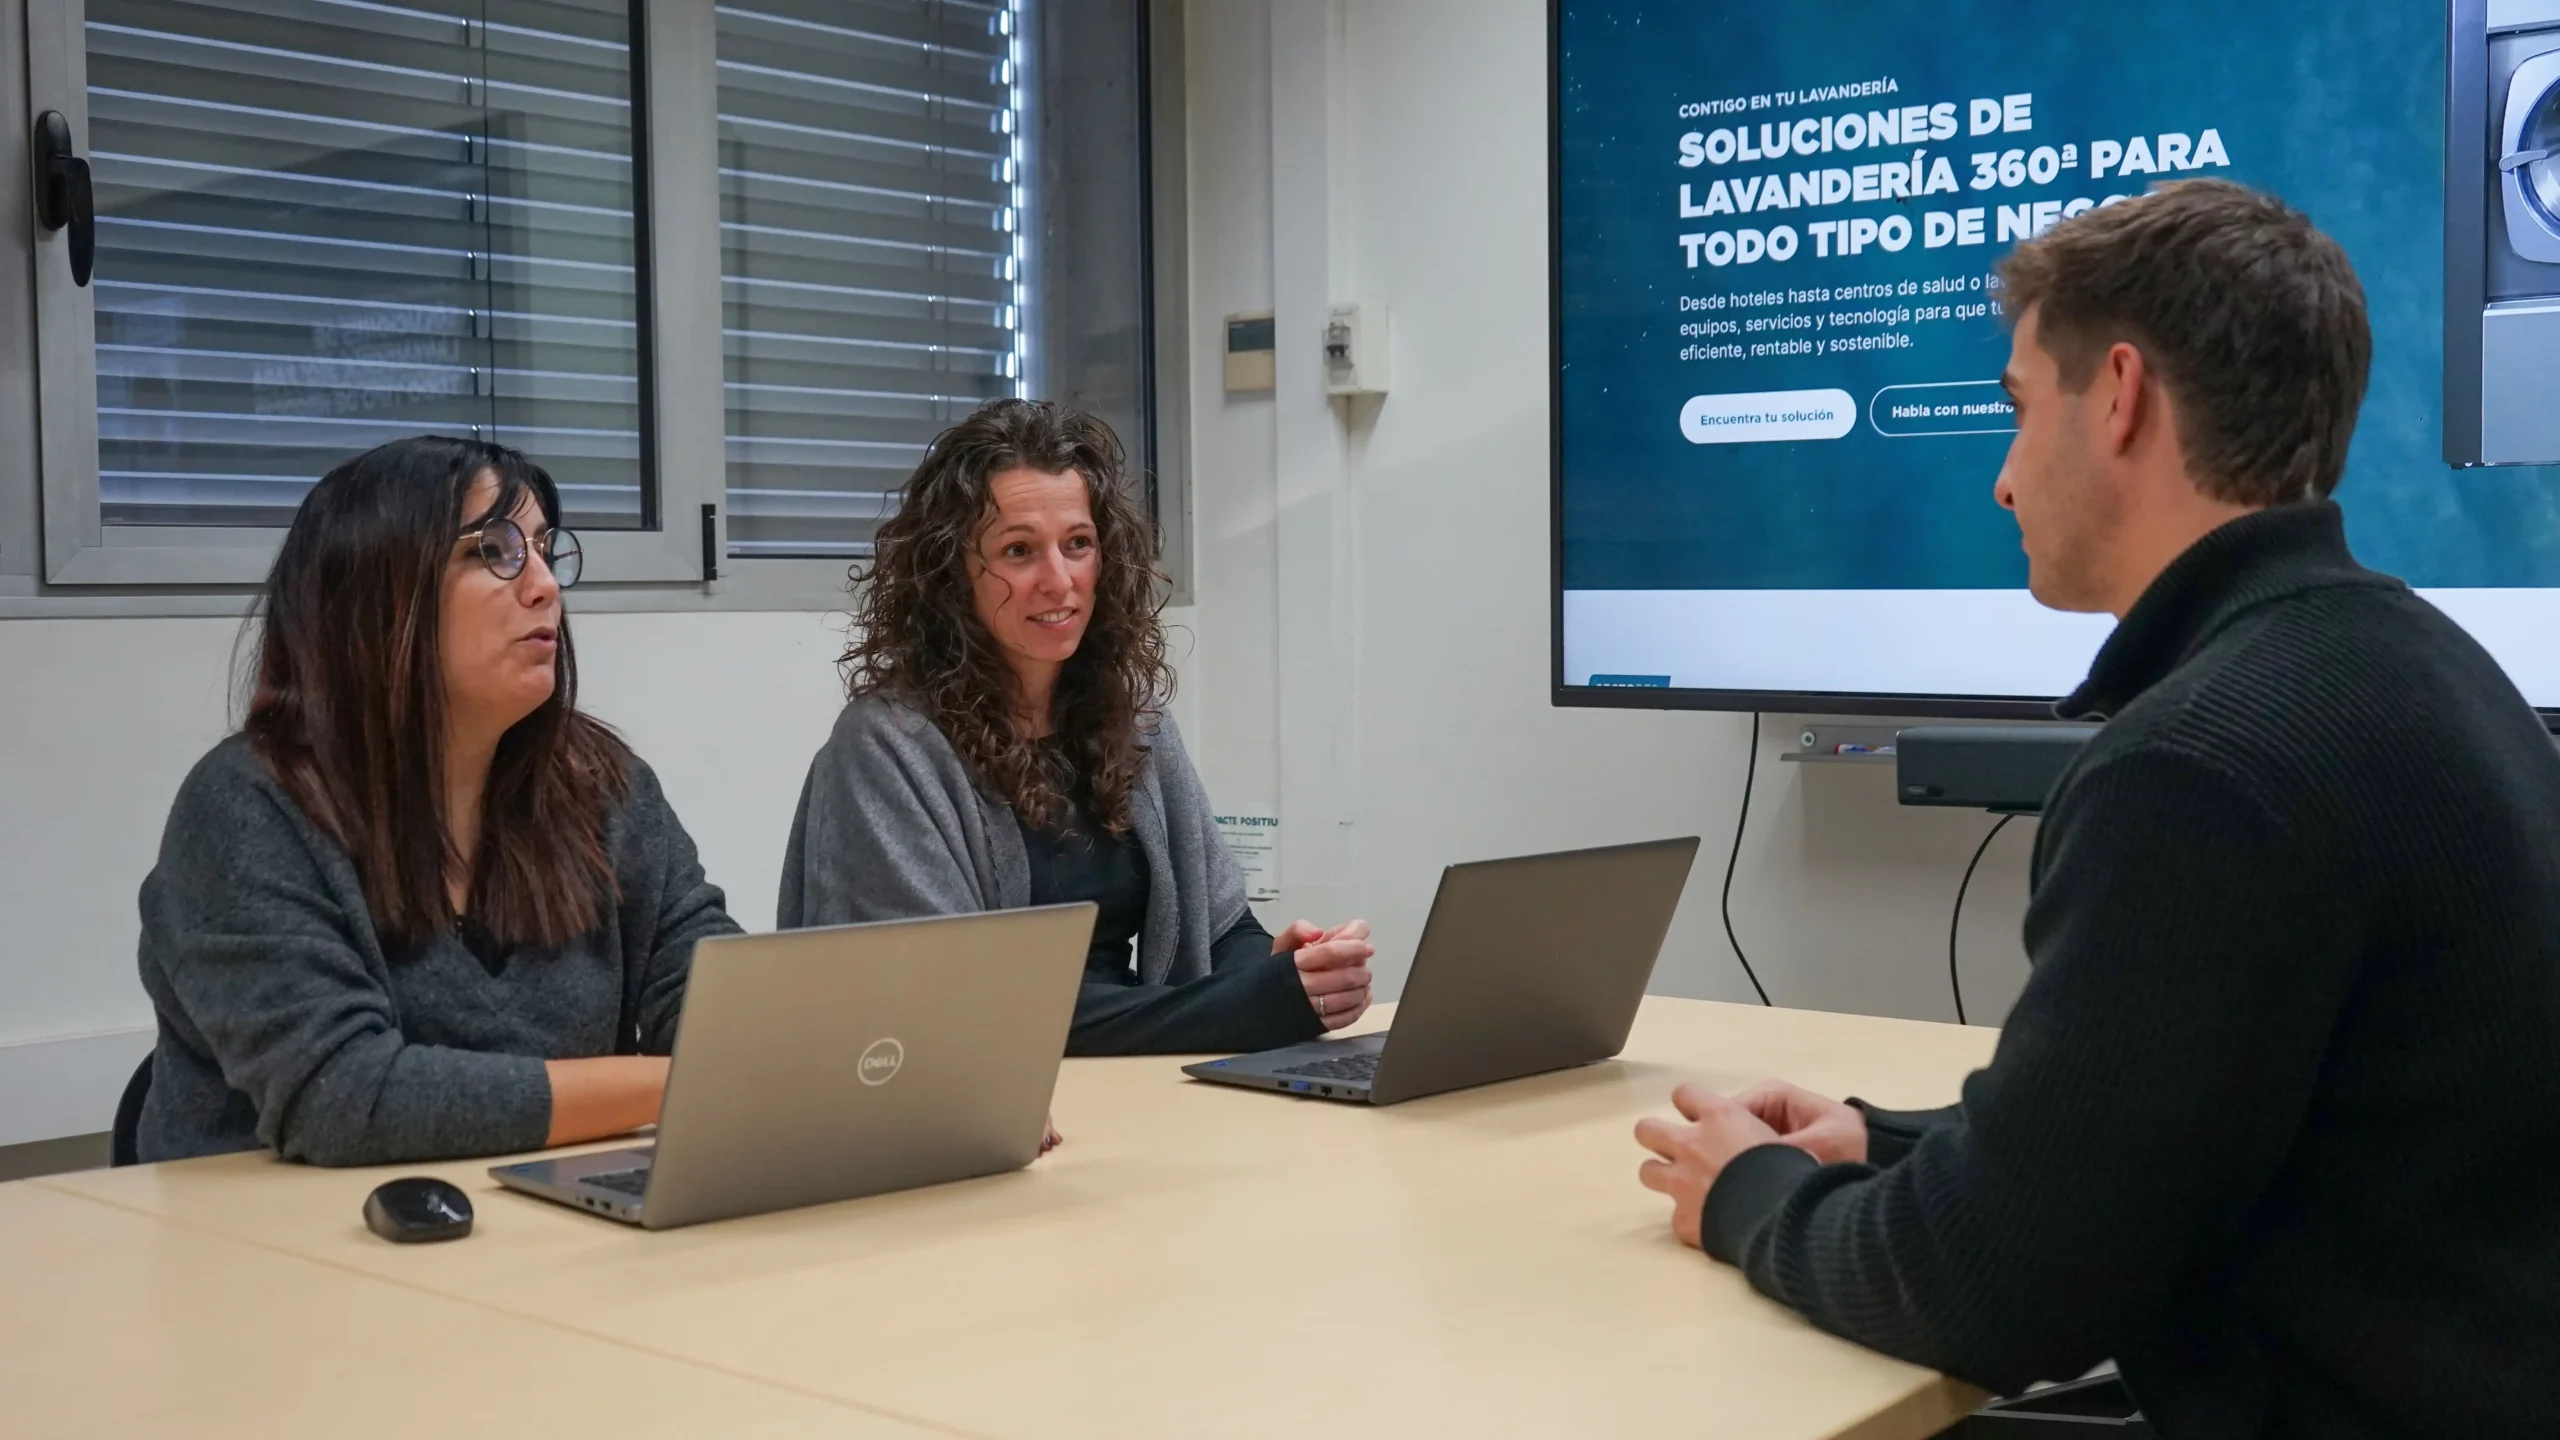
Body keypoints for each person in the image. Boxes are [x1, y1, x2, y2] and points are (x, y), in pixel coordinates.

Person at [1633, 180, 2560, 1438]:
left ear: (2118, 396)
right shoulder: (2422, 664)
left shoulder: (2203, 765)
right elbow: (2169, 1140)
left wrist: (1749, 1196)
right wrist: (1880, 1142)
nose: (2004, 482)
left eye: (2017, 413)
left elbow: (1996, 1296)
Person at [134, 436, 741, 1166]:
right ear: (376, 593)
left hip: (540, 1236)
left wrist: (779, 1052)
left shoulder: (601, 785)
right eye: (495, 550)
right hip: (280, 1253)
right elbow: (343, 1099)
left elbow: (718, 1004)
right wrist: (672, 1088)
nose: (545, 585)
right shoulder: (247, 808)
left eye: (546, 550)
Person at [779, 398, 1374, 1054]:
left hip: (1131, 1088)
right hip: (999, 1104)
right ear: (952, 576)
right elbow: (946, 1007)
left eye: (1078, 545)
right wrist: (1247, 1007)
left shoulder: (1136, 720)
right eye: (1018, 550)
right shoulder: (888, 747)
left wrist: (1282, 972)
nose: (1058, 580)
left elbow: (1223, 931)